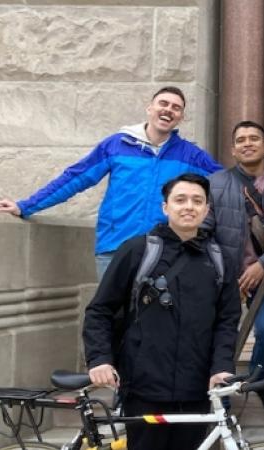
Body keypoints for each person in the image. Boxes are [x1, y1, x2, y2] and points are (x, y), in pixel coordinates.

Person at [0, 87, 223, 279]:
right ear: (150, 108)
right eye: (163, 103)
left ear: (181, 117)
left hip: (165, 249)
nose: (168, 110)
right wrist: (26, 206)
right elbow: (75, 178)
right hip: (115, 247)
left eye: (176, 107)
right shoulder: (117, 145)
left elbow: (226, 186)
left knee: (154, 324)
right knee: (111, 320)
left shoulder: (190, 155)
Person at [82, 173, 240, 450]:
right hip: (144, 385)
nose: (188, 206)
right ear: (165, 207)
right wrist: (100, 359)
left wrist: (222, 367)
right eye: (180, 200)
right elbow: (100, 310)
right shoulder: (138, 250)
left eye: (197, 200)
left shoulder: (218, 259)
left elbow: (227, 321)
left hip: (196, 386)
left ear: (206, 209)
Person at [204, 121, 264, 412]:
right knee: (220, 335)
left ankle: (259, 378)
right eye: (241, 140)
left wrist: (262, 265)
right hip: (224, 277)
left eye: (254, 138)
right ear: (233, 149)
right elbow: (204, 231)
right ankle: (222, 389)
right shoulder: (215, 184)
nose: (247, 143)